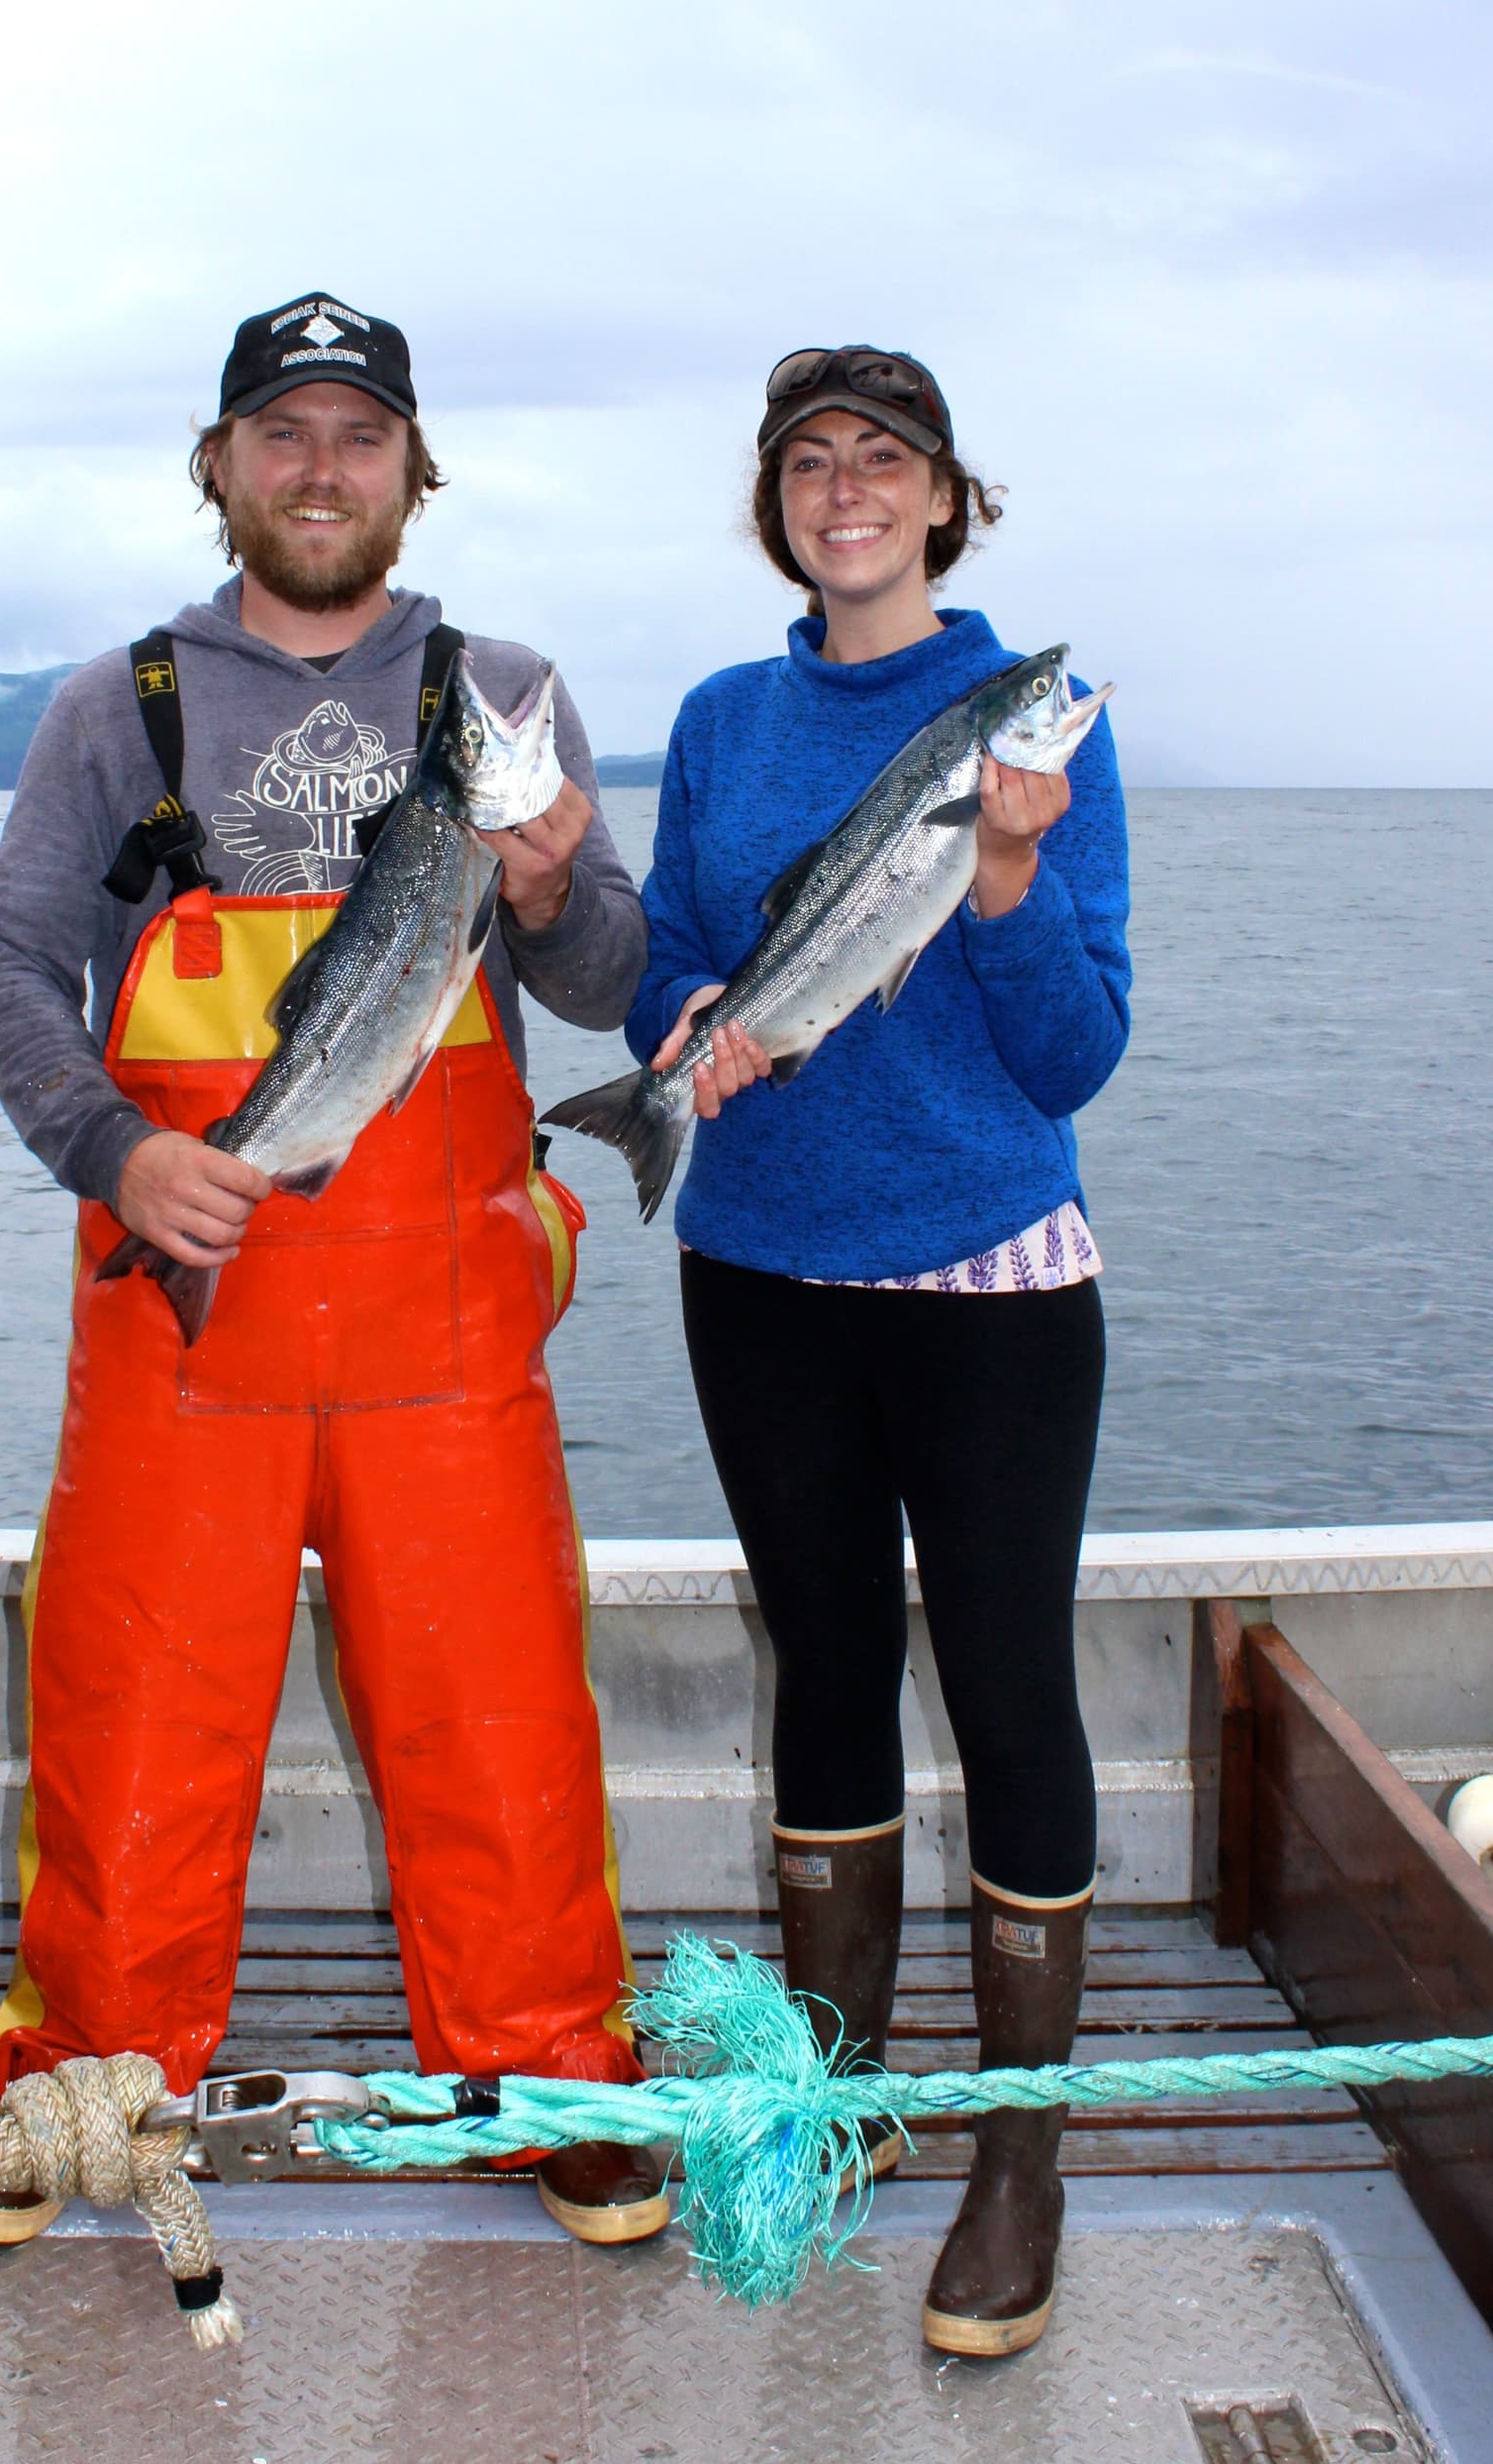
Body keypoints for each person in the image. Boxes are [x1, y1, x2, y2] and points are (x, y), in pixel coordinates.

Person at [0, 290, 665, 2252]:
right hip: (187, 1314)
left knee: (500, 1729)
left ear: (417, 473)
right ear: (220, 465)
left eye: (361, 435)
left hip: (451, 1327)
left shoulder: (504, 693)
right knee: (130, 1726)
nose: (322, 467)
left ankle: (553, 2082)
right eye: (284, 431)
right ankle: (86, 2079)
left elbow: (607, 976)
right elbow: (11, 970)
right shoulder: (116, 707)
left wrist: (548, 885)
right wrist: (116, 1148)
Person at [625, 347, 1131, 2355]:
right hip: (757, 1272)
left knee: (1008, 1691)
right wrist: (683, 1029)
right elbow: (677, 947)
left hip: (991, 1278)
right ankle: (833, 2099)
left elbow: (1074, 1052)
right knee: (825, 1672)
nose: (847, 489)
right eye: (811, 462)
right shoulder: (722, 718)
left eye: (885, 460)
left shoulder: (1037, 730)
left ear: (947, 499)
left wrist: (1002, 878)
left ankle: (1019, 2155)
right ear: (779, 506)